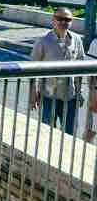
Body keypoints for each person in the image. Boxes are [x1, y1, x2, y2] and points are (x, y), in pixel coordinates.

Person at [29, 8, 88, 136]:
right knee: (47, 133)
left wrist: (79, 92)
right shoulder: (43, 41)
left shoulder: (77, 40)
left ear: (71, 22)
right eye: (60, 19)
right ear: (53, 20)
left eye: (67, 19)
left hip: (70, 96)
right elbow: (32, 69)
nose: (63, 22)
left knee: (69, 134)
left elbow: (80, 67)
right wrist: (33, 92)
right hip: (49, 96)